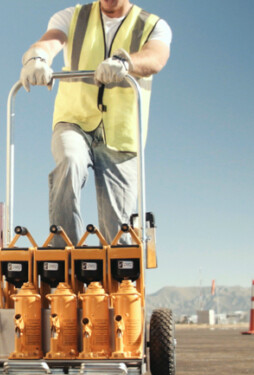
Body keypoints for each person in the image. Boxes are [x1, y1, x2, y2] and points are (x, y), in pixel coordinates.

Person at [19, 0, 171, 246]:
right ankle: (66, 258)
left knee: (117, 229)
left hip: (122, 133)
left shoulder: (153, 25)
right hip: (74, 120)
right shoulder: (72, 16)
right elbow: (50, 41)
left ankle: (117, 281)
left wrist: (126, 64)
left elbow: (156, 57)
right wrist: (36, 58)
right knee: (70, 160)